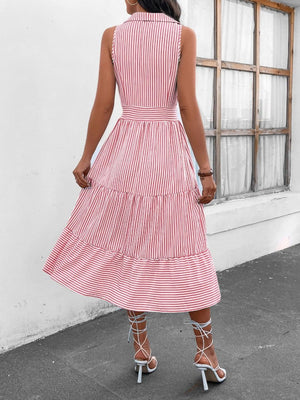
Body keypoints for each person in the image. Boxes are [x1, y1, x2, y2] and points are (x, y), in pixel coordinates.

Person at [42, 0, 226, 391]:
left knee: (130, 246)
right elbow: (188, 105)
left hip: (124, 154)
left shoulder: (113, 36)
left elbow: (105, 104)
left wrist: (87, 156)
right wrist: (204, 170)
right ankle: (206, 352)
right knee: (186, 246)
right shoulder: (183, 35)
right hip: (166, 155)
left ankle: (142, 348)